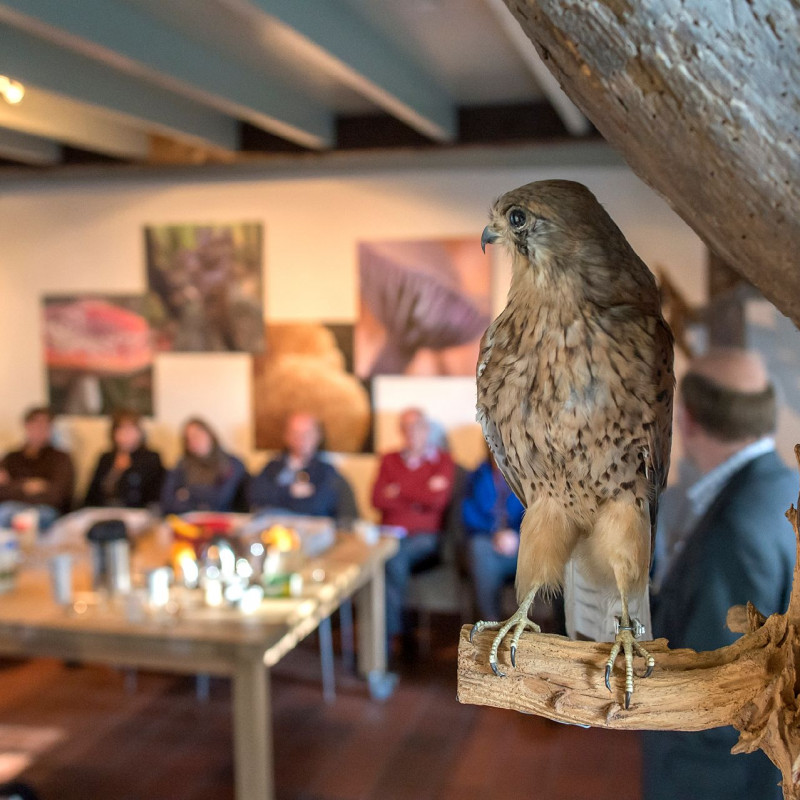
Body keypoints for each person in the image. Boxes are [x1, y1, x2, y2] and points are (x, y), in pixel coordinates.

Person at [642, 348, 796, 800]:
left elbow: (713, 699)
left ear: (685, 420)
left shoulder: (735, 530)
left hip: (714, 779)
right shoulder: (783, 486)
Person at [372, 408, 455, 642]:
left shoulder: (442, 461)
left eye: (417, 426)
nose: (412, 433)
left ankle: (389, 638)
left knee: (391, 558)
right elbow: (377, 499)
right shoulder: (389, 459)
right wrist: (421, 493)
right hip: (386, 534)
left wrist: (398, 490)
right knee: (371, 558)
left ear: (427, 429)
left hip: (424, 538)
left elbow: (437, 501)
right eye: (406, 427)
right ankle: (395, 630)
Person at [249, 412, 357, 524]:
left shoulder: (327, 473)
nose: (301, 439)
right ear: (287, 436)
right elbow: (254, 495)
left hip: (310, 533)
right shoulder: (272, 467)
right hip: (271, 529)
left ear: (318, 436)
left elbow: (316, 506)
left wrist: (275, 498)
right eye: (295, 433)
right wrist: (289, 492)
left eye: (307, 433)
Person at [462, 455, 524, 621]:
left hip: (522, 547)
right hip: (489, 542)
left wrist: (518, 537)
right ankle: (490, 622)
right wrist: (494, 533)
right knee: (479, 550)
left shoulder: (530, 477)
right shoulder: (478, 475)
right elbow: (468, 512)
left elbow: (540, 517)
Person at [0, 406, 74, 529]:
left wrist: (13, 484)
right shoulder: (11, 457)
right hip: (11, 509)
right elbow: (2, 491)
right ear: (27, 425)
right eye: (36, 424)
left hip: (45, 510)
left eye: (46, 425)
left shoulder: (61, 458)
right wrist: (26, 486)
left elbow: (58, 495)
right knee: (6, 513)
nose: (40, 429)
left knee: (31, 519)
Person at [161, 418, 248, 515]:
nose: (194, 441)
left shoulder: (231, 463)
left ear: (210, 434)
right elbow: (167, 502)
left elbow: (220, 499)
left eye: (197, 435)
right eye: (188, 439)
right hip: (188, 521)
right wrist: (203, 500)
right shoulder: (182, 465)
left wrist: (187, 492)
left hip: (222, 521)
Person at [84, 411, 164, 509]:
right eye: (120, 429)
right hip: (105, 510)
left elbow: (154, 495)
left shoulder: (151, 458)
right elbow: (92, 494)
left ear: (140, 432)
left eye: (130, 429)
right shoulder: (106, 458)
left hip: (137, 511)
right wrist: (115, 471)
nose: (125, 434)